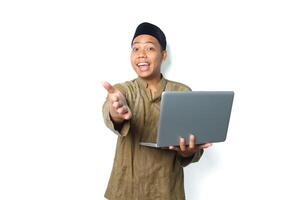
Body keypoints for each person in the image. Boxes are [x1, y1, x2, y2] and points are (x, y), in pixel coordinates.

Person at [102, 22, 212, 200]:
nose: (141, 55)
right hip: (126, 190)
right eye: (135, 49)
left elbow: (193, 146)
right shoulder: (123, 90)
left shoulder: (182, 93)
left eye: (149, 48)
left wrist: (188, 152)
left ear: (163, 55)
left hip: (166, 190)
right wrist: (116, 112)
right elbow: (111, 110)